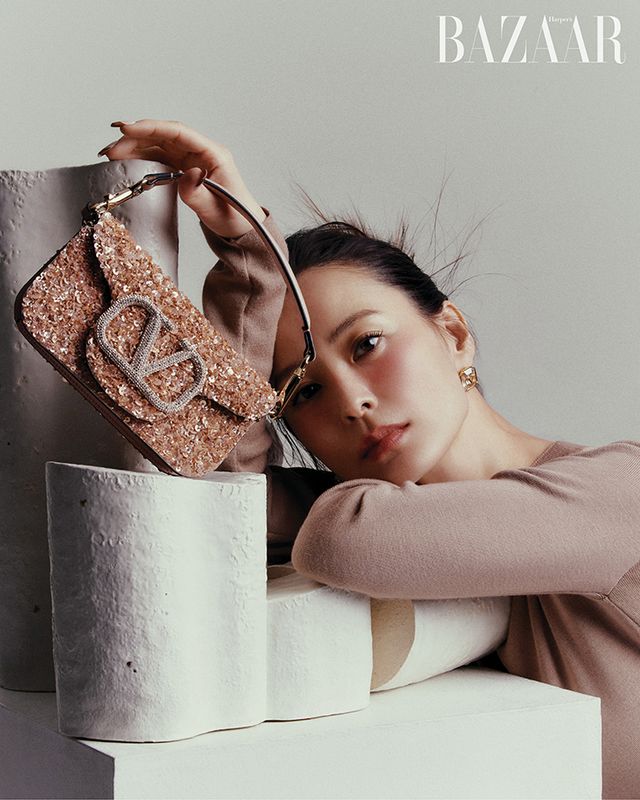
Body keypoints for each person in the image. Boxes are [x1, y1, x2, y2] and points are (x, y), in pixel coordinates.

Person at [99, 119, 640, 798]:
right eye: (304, 391)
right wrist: (247, 262)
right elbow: (217, 502)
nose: (353, 402)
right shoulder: (372, 517)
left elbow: (343, 539)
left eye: (368, 345)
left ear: (453, 333)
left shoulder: (619, 491)